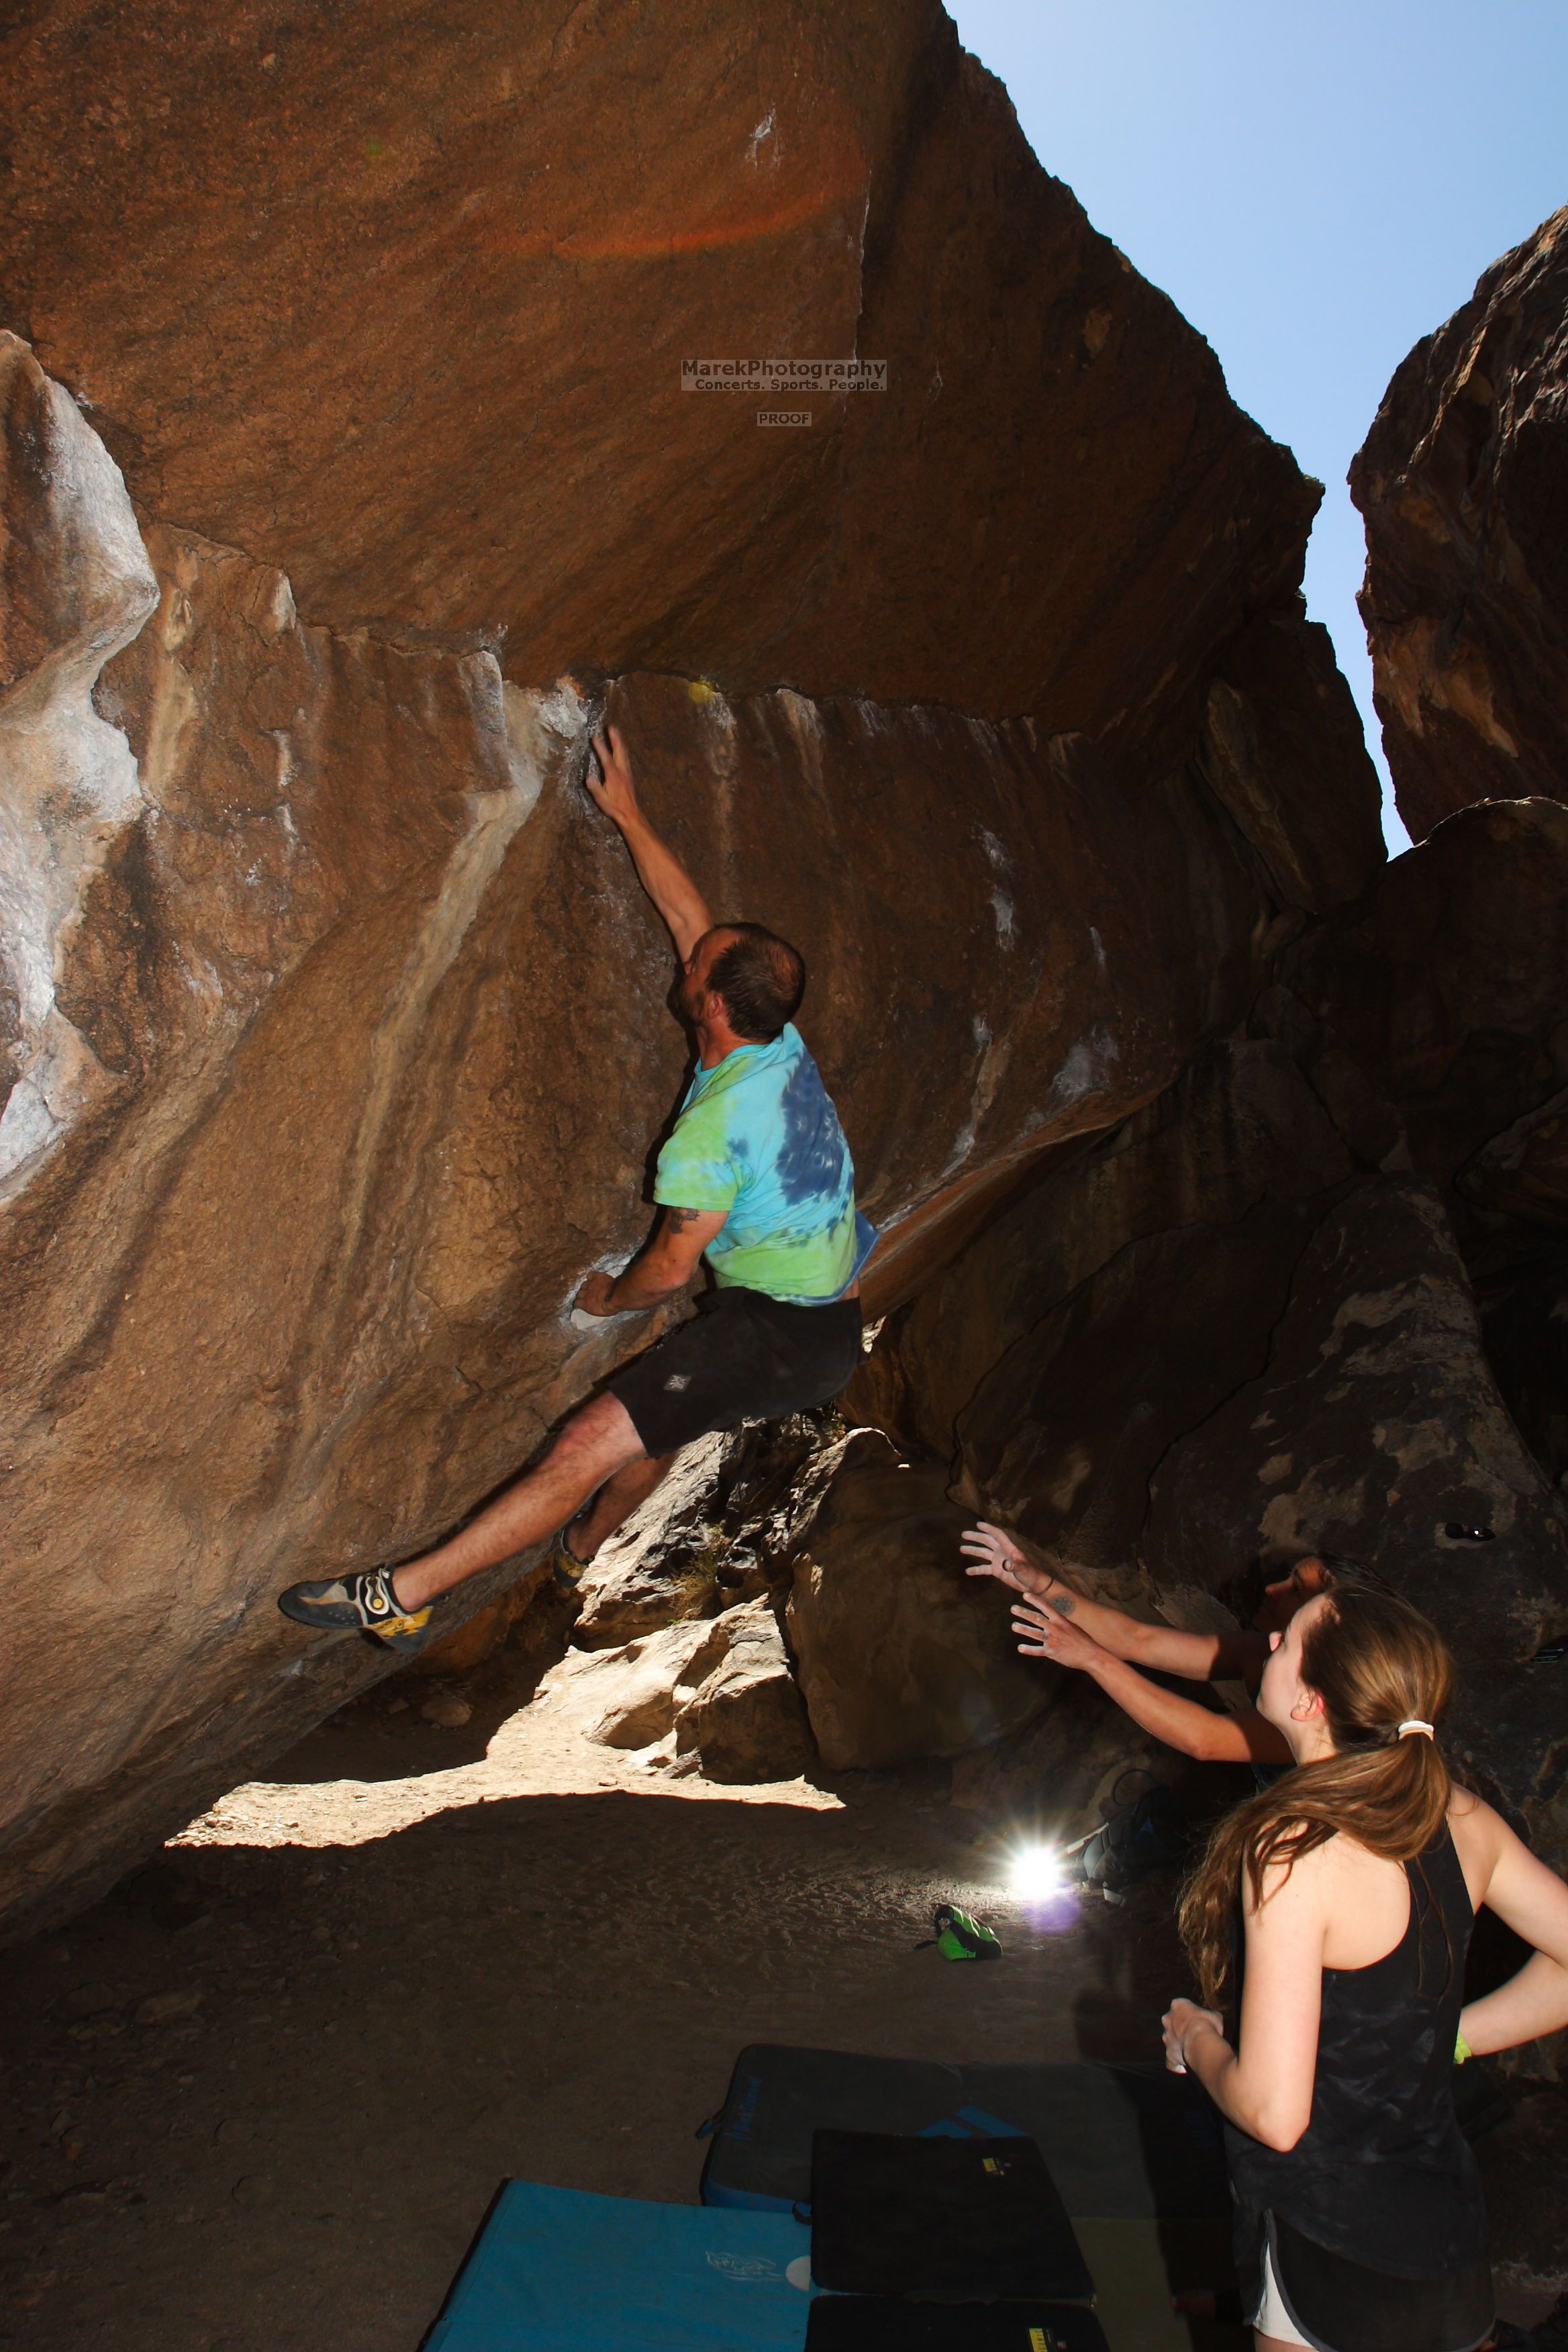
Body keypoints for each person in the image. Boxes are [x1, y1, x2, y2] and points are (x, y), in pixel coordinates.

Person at [279, 723, 875, 1651]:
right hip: (826, 1319)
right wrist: (627, 813)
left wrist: (605, 1300)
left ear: (709, 1004)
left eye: (693, 967)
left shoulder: (710, 1133)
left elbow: (672, 1269)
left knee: (585, 1445)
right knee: (666, 1421)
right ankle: (583, 1547)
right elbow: (692, 922)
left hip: (777, 1336)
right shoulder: (775, 1042)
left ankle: (404, 1594)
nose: (684, 955)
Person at [1160, 1582, 1568, 2352]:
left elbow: (1275, 2117)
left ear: (1313, 1704)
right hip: (1445, 2243)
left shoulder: (1293, 1843)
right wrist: (1438, 2037)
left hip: (1330, 2247)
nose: (1270, 1643)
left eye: (1288, 1640)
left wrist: (1194, 2037)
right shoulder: (1459, 1814)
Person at [960, 1521, 1347, 1771]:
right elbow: (1136, 1639)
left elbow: (1207, 1739)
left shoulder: (1321, 1712)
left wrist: (1093, 1659)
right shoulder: (1258, 1651)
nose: (1272, 1589)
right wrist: (1037, 1583)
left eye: (1296, 1589)